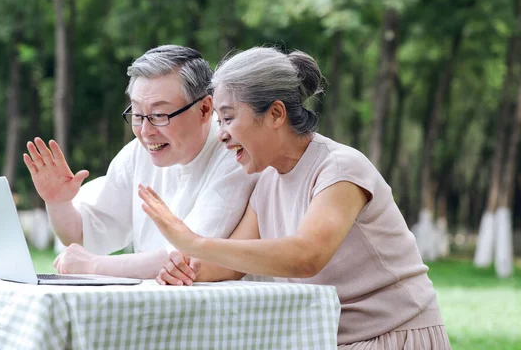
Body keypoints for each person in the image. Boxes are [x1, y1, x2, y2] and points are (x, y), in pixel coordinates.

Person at [137, 47, 451, 348]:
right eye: (220, 121)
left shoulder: (339, 168)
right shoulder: (267, 182)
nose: (221, 134)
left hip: (394, 335)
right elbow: (231, 265)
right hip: (331, 338)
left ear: (275, 114)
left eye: (229, 118)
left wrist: (193, 242)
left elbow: (306, 257)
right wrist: (188, 269)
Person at [23, 45, 258, 279]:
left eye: (159, 115)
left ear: (205, 109)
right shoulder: (137, 153)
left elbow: (187, 256)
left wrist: (94, 267)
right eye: (137, 114)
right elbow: (84, 235)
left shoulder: (235, 152)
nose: (146, 131)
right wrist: (58, 203)